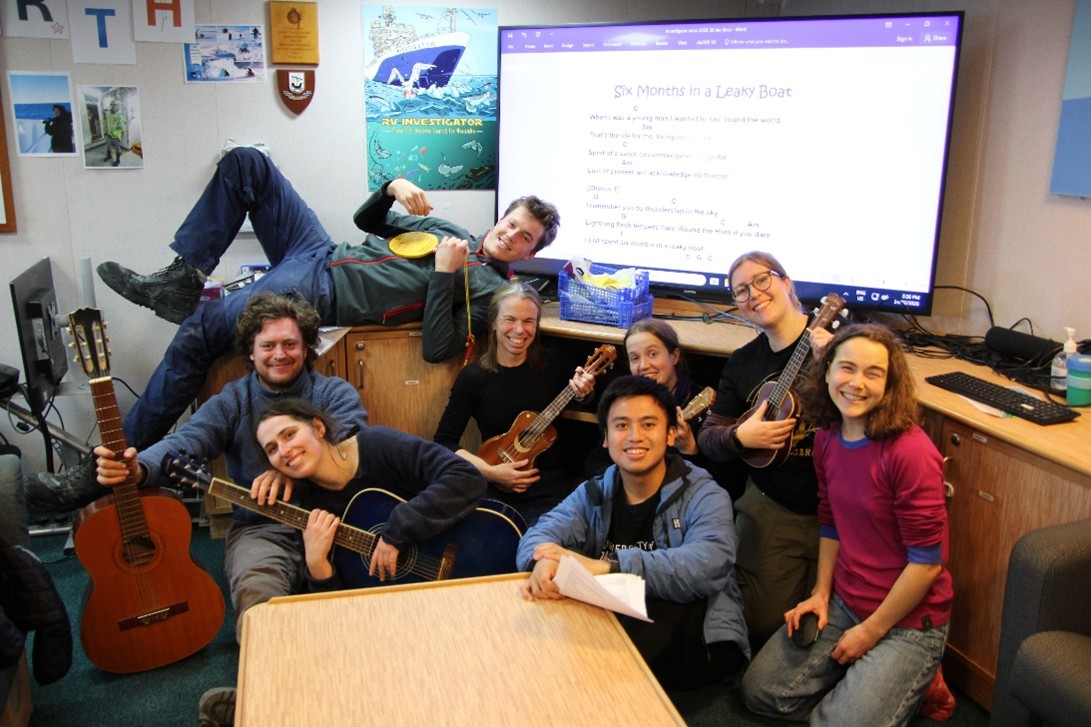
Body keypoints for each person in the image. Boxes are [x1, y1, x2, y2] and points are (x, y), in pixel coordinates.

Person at [93, 147, 560, 454]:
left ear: (530, 253)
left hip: (322, 293)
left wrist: (444, 275)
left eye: (525, 238)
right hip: (318, 250)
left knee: (198, 331)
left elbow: (438, 348)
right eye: (511, 224)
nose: (511, 236)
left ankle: (121, 459)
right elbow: (367, 222)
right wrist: (390, 188)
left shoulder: (492, 293)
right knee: (247, 164)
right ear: (500, 218)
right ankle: (184, 275)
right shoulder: (452, 231)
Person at [30, 293, 368, 644]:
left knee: (362, 612)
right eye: (268, 345)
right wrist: (139, 468)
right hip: (263, 530)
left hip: (336, 522)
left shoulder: (334, 394)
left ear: (307, 348)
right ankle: (260, 689)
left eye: (290, 344)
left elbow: (353, 440)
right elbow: (185, 442)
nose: (279, 354)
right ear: (250, 353)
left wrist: (294, 465)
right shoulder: (232, 400)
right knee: (260, 612)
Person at [741, 323, 954, 726]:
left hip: (909, 621)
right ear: (826, 372)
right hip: (846, 602)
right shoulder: (827, 438)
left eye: (874, 373)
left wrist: (871, 633)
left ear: (890, 384)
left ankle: (913, 676)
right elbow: (831, 521)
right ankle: (880, 690)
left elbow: (927, 564)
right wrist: (821, 594)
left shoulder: (910, 453)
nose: (856, 383)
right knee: (759, 692)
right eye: (847, 368)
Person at [517, 375, 750, 690]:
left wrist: (609, 567)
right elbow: (541, 532)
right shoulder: (597, 489)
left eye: (649, 425)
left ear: (670, 435)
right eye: (622, 425)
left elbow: (709, 563)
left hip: (699, 637)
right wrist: (542, 561)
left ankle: (590, 686)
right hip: (623, 626)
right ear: (606, 438)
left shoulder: (705, 492)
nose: (634, 436)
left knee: (655, 597)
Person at [696, 250, 832, 649]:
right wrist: (742, 438)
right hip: (776, 504)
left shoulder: (837, 345)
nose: (753, 294)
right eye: (741, 291)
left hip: (840, 505)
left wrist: (832, 362)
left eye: (761, 280)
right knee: (757, 626)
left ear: (786, 283)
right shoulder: (742, 362)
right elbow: (709, 437)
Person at [433, 282, 595, 526]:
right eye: (510, 319)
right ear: (494, 322)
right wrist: (492, 473)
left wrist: (584, 392)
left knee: (541, 550)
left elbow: (586, 399)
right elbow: (444, 442)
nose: (519, 330)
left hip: (548, 488)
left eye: (529, 321)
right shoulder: (473, 378)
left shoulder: (554, 363)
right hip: (492, 483)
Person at [587, 317, 746, 499]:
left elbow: (726, 485)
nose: (644, 365)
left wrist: (690, 450)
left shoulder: (704, 408)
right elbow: (594, 463)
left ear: (675, 356)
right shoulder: (627, 404)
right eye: (635, 358)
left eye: (652, 354)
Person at [103, 101, 126, 167]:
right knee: (108, 146)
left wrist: (116, 134)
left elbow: (121, 128)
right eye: (112, 105)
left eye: (115, 105)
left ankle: (118, 160)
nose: (113, 107)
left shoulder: (119, 116)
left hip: (115, 135)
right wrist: (106, 132)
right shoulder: (108, 115)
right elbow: (105, 123)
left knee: (117, 148)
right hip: (108, 134)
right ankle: (109, 156)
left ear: (117, 106)